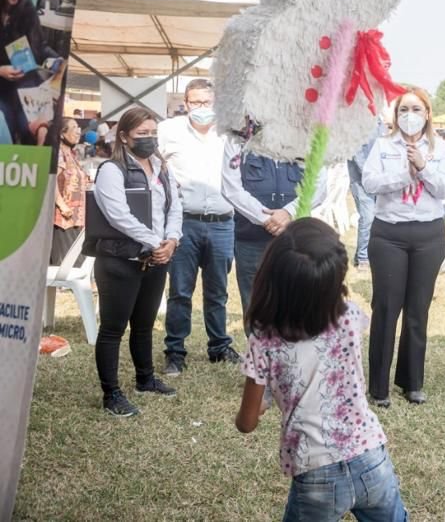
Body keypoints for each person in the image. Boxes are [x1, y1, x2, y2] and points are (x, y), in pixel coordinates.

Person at [235, 218, 405, 521]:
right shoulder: (350, 317)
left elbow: (246, 423)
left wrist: (260, 405)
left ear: (271, 278)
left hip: (316, 472)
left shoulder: (263, 340)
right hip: (371, 457)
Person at [363, 87, 445, 407]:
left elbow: (444, 188)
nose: (410, 116)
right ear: (395, 115)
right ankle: (379, 387)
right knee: (386, 309)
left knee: (418, 310)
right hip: (389, 235)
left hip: (429, 236)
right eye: (404, 110)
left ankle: (411, 382)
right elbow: (370, 183)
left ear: (427, 114)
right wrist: (405, 173)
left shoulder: (439, 147)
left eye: (416, 109)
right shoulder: (383, 146)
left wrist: (424, 166)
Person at [91, 107, 182, 417]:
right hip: (120, 259)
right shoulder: (111, 170)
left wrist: (171, 240)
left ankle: (145, 379)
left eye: (152, 132)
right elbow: (118, 216)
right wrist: (155, 241)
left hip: (156, 258)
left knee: (143, 326)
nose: (149, 138)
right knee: (113, 329)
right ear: (124, 136)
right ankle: (111, 393)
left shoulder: (161, 167)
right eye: (142, 133)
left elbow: (174, 207)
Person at [159, 79, 240, 376]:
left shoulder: (230, 134)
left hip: (222, 222)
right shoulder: (170, 131)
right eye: (195, 102)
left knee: (218, 290)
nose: (201, 108)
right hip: (185, 222)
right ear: (186, 102)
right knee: (180, 290)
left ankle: (219, 345)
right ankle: (175, 350)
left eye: (207, 102)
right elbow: (155, 165)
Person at [221, 124, 326, 332]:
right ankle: (259, 361)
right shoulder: (238, 139)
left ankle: (290, 360)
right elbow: (231, 188)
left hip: (295, 239)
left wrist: (288, 213)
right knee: (255, 303)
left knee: (295, 301)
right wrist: (266, 219)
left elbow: (318, 185)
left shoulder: (308, 137)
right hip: (251, 238)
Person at [0, 0, 58, 145]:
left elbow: (39, 45)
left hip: (24, 84)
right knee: (5, 131)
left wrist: (58, 61)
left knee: (36, 128)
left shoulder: (26, 7)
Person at [51, 117, 89, 266]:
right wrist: (62, 205)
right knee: (64, 266)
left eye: (78, 127)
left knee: (72, 265)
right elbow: (51, 180)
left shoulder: (72, 154)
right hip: (63, 219)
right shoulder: (59, 153)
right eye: (73, 128)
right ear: (62, 134)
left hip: (75, 217)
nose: (78, 131)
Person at [348, 124, 384, 272]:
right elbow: (356, 154)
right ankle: (363, 258)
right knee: (367, 218)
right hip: (361, 181)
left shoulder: (381, 124)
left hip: (379, 181)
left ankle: (363, 255)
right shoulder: (357, 122)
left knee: (377, 219)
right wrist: (371, 175)